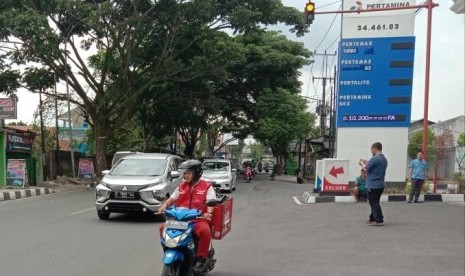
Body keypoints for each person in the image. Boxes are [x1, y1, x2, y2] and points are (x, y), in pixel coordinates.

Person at [157, 159, 217, 273]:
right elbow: (172, 198)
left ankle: (201, 258)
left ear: (197, 173)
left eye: (188, 173)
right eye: (184, 173)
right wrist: (164, 206)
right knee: (162, 228)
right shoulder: (181, 186)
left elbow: (211, 200)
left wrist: (209, 212)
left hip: (197, 219)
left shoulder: (206, 186)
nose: (185, 175)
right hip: (180, 219)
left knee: (205, 232)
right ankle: (168, 248)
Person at [360, 142, 388, 226]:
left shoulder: (374, 158)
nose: (371, 151)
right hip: (380, 184)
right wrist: (367, 162)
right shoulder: (384, 159)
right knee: (374, 202)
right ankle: (372, 218)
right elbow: (374, 167)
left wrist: (361, 163)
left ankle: (379, 220)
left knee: (373, 202)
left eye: (371, 149)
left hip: (373, 184)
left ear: (375, 149)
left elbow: (365, 170)